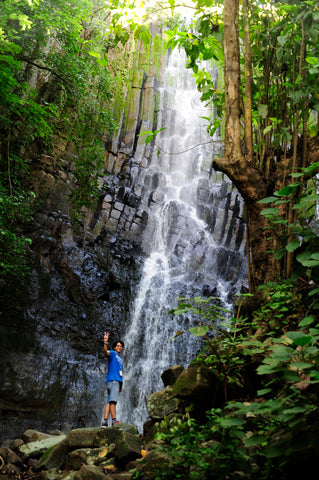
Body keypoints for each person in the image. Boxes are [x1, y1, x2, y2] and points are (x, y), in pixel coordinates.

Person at [102, 331, 124, 427]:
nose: (119, 347)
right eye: (118, 346)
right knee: (113, 402)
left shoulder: (120, 358)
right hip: (113, 381)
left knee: (108, 402)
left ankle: (105, 422)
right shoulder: (112, 353)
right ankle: (114, 422)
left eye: (121, 346)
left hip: (114, 382)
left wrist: (121, 385)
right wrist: (105, 342)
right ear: (114, 347)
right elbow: (105, 351)